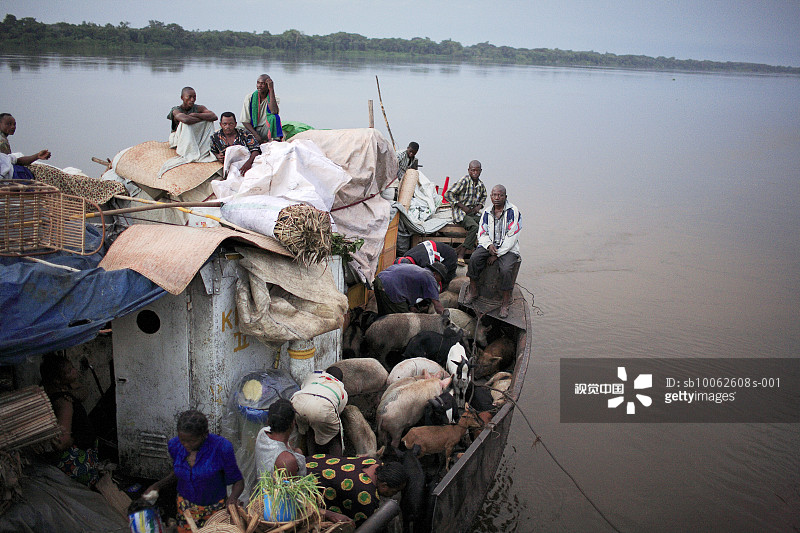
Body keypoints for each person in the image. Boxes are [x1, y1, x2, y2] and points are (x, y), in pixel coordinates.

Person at [146, 410, 243, 533]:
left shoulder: (221, 448)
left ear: (205, 434)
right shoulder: (174, 445)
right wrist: (157, 486)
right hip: (185, 509)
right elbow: (179, 473)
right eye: (183, 440)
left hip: (214, 510)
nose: (186, 445)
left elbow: (238, 481)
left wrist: (233, 498)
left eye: (192, 441)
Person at [40, 353, 100, 487]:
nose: (75, 371)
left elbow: (83, 391)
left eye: (72, 367)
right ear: (58, 380)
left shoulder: (60, 392)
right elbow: (62, 442)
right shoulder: (63, 402)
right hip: (75, 461)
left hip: (81, 454)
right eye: (69, 371)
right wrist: (71, 440)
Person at [465, 185, 522, 318]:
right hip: (489, 246)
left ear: (505, 197)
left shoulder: (513, 211)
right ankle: (473, 291)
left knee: (506, 269)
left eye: (500, 195)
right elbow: (482, 232)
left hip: (508, 249)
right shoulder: (486, 212)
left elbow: (512, 236)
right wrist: (489, 245)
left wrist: (497, 254)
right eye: (494, 195)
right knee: (474, 259)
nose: (497, 198)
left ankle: (505, 302)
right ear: (491, 196)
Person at [306, 455, 407, 527]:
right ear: (384, 486)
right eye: (394, 492)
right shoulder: (366, 497)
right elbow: (362, 526)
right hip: (305, 484)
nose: (392, 495)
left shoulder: (374, 462)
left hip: (311, 462)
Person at [291, 367, 348, 456]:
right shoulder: (341, 390)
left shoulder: (312, 376)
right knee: (334, 435)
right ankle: (336, 463)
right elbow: (337, 413)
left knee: (309, 431)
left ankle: (312, 461)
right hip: (323, 407)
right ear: (340, 380)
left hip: (297, 403)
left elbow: (303, 387)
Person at [444, 160, 487, 266]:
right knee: (474, 227)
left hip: (472, 212)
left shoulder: (480, 184)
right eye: (473, 170)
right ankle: (461, 254)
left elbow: (484, 197)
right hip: (461, 212)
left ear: (481, 171)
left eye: (477, 171)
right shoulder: (464, 181)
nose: (475, 173)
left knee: (486, 222)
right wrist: (461, 206)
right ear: (469, 170)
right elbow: (448, 194)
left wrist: (478, 207)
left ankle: (469, 250)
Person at [254, 398, 307, 482]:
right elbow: (292, 491)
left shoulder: (263, 433)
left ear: (269, 421)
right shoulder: (287, 461)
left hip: (263, 485)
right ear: (292, 424)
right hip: (275, 494)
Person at [373, 262, 446, 316]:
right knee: (402, 319)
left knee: (382, 315)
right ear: (435, 274)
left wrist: (411, 306)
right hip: (389, 286)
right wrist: (445, 318)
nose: (439, 282)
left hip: (379, 279)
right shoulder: (430, 277)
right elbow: (437, 303)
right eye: (440, 279)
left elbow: (408, 288)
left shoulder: (418, 270)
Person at [240, 74, 282, 143]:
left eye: (262, 84)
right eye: (258, 83)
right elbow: (245, 121)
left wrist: (271, 89)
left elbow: (274, 111)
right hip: (252, 128)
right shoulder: (250, 97)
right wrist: (256, 135)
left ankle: (275, 141)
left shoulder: (273, 98)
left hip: (265, 129)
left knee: (275, 117)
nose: (259, 85)